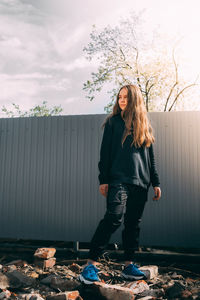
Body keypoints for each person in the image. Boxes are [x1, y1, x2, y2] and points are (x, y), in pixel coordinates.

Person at [79, 84, 161, 284]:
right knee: (113, 218)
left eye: (126, 97)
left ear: (134, 100)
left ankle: (128, 267)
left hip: (141, 183)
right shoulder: (113, 123)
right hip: (118, 181)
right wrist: (103, 180)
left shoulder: (144, 126)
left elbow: (150, 159)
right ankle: (89, 266)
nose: (122, 100)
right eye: (119, 97)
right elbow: (104, 154)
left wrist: (156, 182)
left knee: (133, 224)